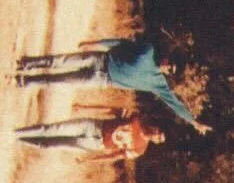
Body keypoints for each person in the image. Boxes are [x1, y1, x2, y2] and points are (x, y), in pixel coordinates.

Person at [15, 37, 212, 134]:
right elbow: (121, 43)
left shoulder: (158, 84)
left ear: (170, 74)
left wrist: (194, 122)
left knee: (61, 81)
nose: (168, 67)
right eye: (170, 63)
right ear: (167, 58)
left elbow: (174, 104)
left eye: (171, 70)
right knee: (60, 62)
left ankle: (25, 81)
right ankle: (26, 64)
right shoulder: (148, 51)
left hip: (103, 80)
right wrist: (96, 43)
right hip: (100, 59)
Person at [15, 114, 166, 162]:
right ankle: (16, 133)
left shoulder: (139, 149)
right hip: (94, 126)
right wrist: (84, 107)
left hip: (95, 143)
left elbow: (114, 156)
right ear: (156, 128)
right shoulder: (138, 119)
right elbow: (112, 110)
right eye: (158, 132)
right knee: (51, 129)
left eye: (158, 138)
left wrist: (89, 159)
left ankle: (19, 140)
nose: (156, 135)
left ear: (156, 142)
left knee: (51, 144)